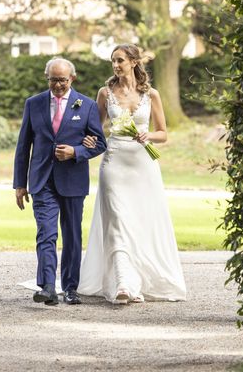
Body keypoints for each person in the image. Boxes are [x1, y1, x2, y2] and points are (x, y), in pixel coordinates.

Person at [78, 44, 187, 304]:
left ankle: (136, 277)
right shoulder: (105, 93)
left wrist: (149, 135)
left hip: (142, 164)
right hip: (114, 163)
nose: (115, 65)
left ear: (134, 62)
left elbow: (163, 133)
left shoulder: (152, 95)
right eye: (113, 61)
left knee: (137, 221)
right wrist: (86, 143)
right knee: (116, 220)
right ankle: (123, 283)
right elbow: (96, 129)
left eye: (120, 60)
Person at [13, 57, 107, 306]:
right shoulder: (33, 104)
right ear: (47, 79)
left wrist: (76, 152)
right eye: (53, 80)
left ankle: (70, 287)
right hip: (42, 180)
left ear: (72, 79)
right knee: (46, 233)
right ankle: (46, 287)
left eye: (62, 80)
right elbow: (24, 146)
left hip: (73, 180)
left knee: (72, 236)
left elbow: (99, 143)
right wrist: (20, 184)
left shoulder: (86, 105)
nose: (58, 85)